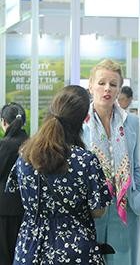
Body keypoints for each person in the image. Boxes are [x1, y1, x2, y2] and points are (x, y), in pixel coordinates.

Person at [5, 85, 111, 264]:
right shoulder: (85, 161)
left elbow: (16, 194)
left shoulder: (25, 156)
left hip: (30, 249)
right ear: (84, 119)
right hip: (74, 250)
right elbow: (98, 210)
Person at [82, 59, 140, 265]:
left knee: (124, 260)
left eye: (113, 84)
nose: (107, 89)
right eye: (101, 83)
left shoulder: (131, 122)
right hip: (90, 209)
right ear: (90, 86)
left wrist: (139, 196)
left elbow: (136, 165)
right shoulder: (80, 123)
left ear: (119, 90)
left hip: (125, 207)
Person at [0, 103, 28, 265]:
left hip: (3, 210)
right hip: (26, 209)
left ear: (4, 122)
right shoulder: (31, 143)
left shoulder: (5, 145)